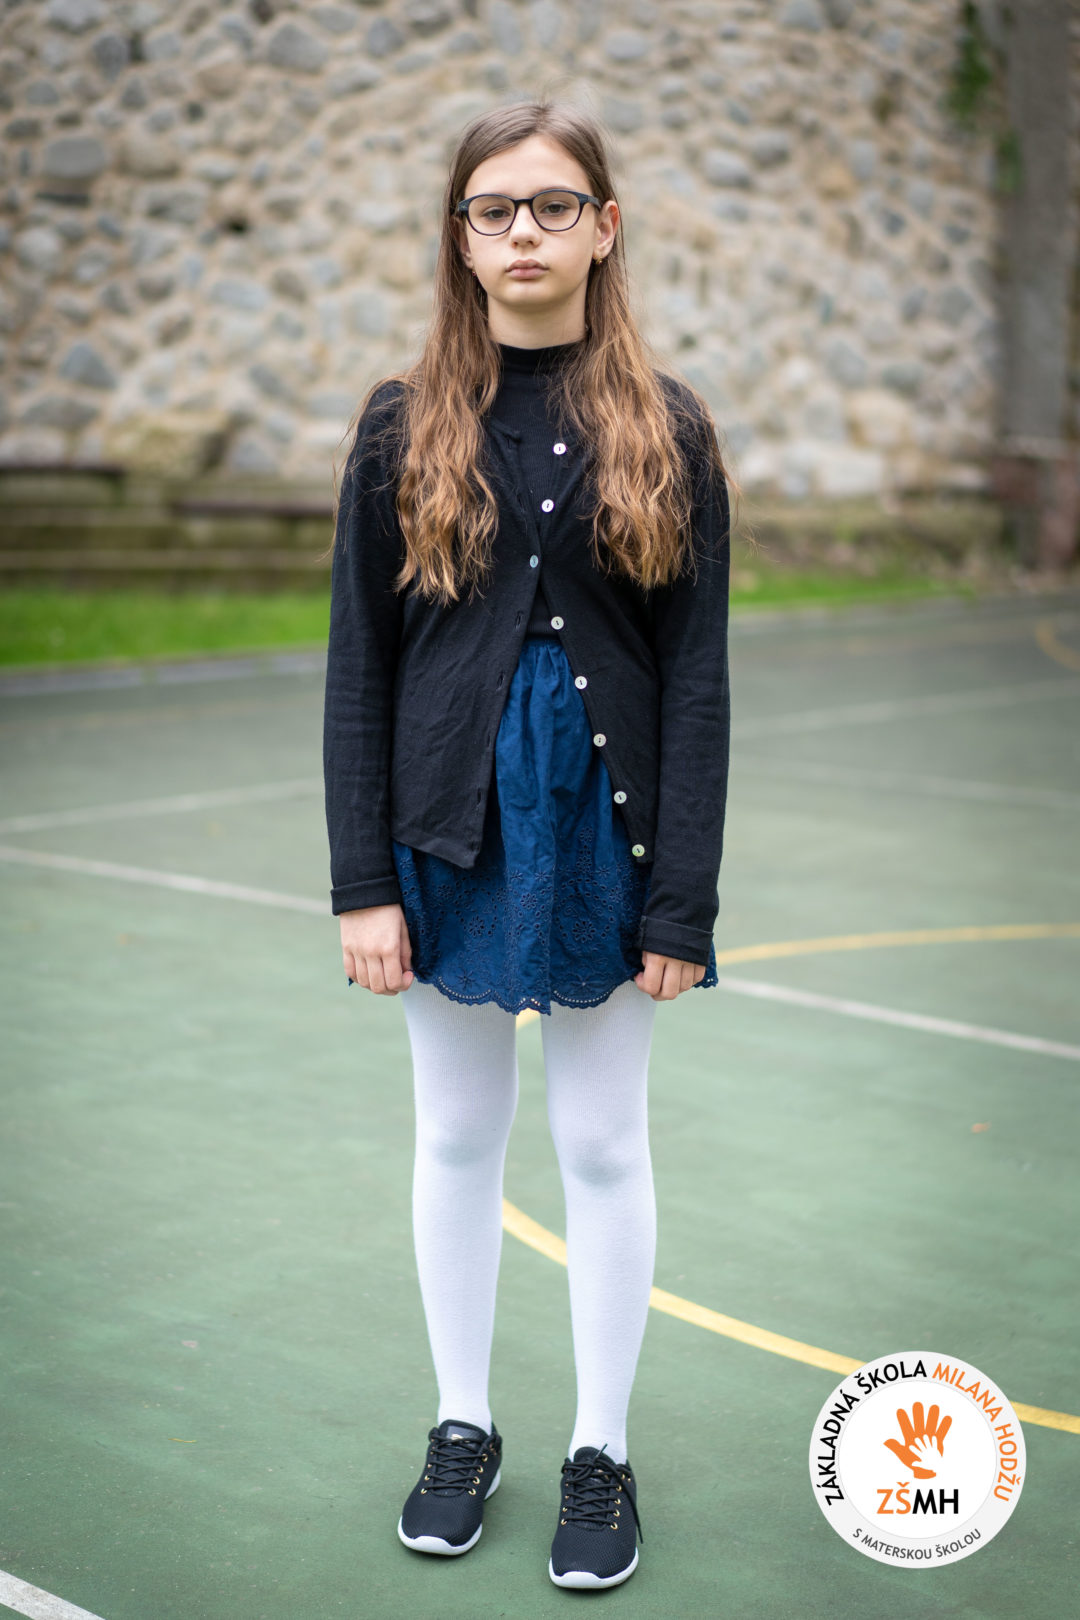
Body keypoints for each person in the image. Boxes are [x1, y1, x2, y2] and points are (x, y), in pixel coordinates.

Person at [322, 100, 734, 1592]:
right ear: (461, 237)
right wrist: (361, 884)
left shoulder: (671, 426)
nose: (523, 233)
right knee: (454, 1134)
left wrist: (683, 899)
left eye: (555, 206)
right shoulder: (399, 423)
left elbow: (696, 678)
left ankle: (600, 1449)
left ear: (604, 229)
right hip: (447, 831)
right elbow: (359, 668)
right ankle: (463, 1423)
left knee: (604, 1143)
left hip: (610, 835)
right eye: (493, 209)